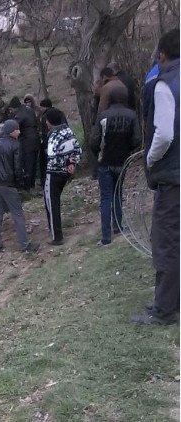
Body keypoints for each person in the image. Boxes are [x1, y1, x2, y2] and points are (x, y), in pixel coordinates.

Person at [132, 28, 179, 326]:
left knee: (166, 242)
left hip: (173, 179)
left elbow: (163, 134)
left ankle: (163, 311)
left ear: (161, 54)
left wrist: (150, 159)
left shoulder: (165, 84)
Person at [90, 86, 141, 247]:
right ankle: (118, 227)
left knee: (105, 197)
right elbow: (137, 139)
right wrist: (127, 150)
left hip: (105, 161)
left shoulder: (103, 116)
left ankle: (106, 237)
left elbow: (94, 140)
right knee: (118, 194)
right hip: (122, 161)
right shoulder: (131, 116)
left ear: (110, 100)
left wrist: (98, 153)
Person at [0, 119, 39, 254]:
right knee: (17, 214)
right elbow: (17, 167)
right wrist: (19, 184)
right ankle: (25, 245)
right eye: (17, 129)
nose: (19, 132)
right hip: (9, 184)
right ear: (11, 131)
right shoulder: (15, 145)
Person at [44, 109, 82, 246]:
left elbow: (52, 156)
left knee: (51, 204)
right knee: (55, 201)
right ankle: (56, 232)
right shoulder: (69, 131)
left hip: (54, 173)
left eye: (47, 120)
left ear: (50, 121)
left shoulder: (53, 136)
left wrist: (62, 164)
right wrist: (71, 163)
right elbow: (78, 150)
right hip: (66, 173)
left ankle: (56, 236)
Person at [7, 96, 40, 191]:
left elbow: (12, 127)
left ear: (15, 107)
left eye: (11, 110)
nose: (10, 112)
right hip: (35, 140)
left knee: (27, 165)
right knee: (33, 164)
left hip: (27, 142)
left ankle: (27, 188)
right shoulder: (29, 110)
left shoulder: (20, 115)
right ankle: (32, 185)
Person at [38, 99, 68, 186]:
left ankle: (47, 182)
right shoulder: (60, 113)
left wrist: (45, 146)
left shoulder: (46, 116)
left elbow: (45, 133)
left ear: (44, 107)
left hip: (50, 143)